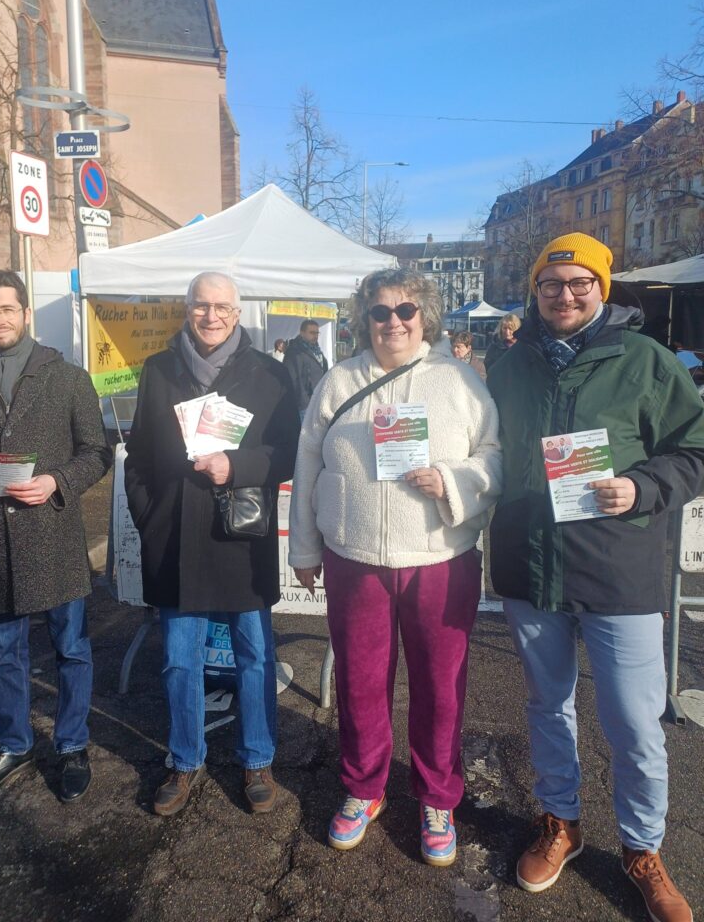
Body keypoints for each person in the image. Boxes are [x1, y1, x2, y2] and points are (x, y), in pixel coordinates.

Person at [486, 232, 704, 922]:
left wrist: (642, 488)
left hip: (619, 567)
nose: (566, 294)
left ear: (602, 288)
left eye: (581, 282)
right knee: (548, 706)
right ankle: (562, 823)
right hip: (531, 566)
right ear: (535, 291)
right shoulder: (509, 365)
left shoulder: (645, 360)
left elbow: (695, 448)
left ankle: (642, 849)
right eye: (552, 284)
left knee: (634, 722)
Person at [289, 267, 501, 865]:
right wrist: (304, 548)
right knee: (359, 682)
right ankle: (363, 788)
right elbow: (308, 464)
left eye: (406, 310)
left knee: (440, 685)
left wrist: (455, 480)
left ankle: (437, 798)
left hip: (439, 557)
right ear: (364, 320)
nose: (394, 322)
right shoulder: (338, 381)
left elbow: (495, 456)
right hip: (356, 558)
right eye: (380, 312)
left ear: (424, 317)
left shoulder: (458, 381)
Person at [124, 272, 299, 817]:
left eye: (222, 306)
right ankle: (184, 759)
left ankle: (257, 758)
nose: (211, 316)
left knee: (254, 655)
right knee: (179, 659)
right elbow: (140, 455)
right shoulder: (158, 369)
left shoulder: (269, 374)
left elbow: (290, 452)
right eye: (202, 305)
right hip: (174, 533)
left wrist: (237, 464)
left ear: (238, 311)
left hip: (240, 535)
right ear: (187, 308)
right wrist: (148, 515)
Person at [0, 271, 112, 805]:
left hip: (53, 537)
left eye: (7, 309)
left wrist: (58, 480)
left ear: (26, 312)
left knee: (71, 649)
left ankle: (72, 744)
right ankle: (13, 744)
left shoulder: (69, 378)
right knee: (3, 653)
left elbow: (97, 453)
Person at [283, 319, 328, 419]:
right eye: (312, 333)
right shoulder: (294, 352)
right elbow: (293, 379)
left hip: (318, 401)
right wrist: (304, 403)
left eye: (317, 333)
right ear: (302, 333)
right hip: (304, 405)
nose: (315, 336)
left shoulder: (317, 350)